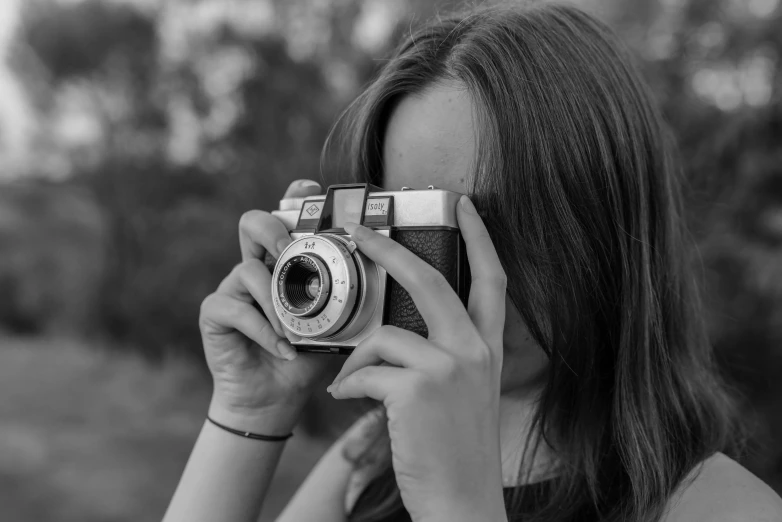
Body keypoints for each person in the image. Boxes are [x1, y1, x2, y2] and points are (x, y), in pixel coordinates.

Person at [163, 3, 782, 522]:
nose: (452, 276)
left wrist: (458, 505)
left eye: (497, 221)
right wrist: (250, 413)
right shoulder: (370, 459)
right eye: (420, 224)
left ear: (605, 228)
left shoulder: (726, 508)